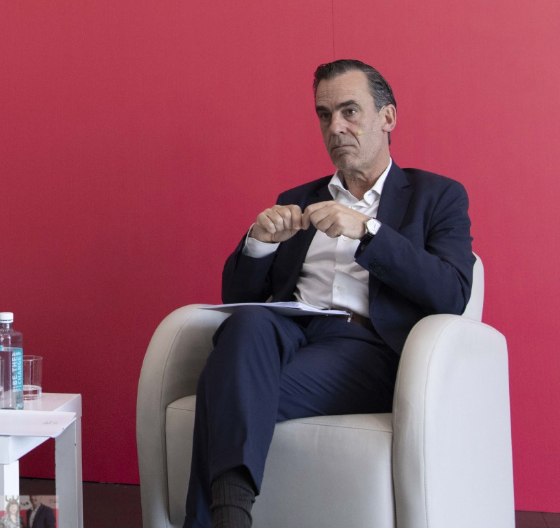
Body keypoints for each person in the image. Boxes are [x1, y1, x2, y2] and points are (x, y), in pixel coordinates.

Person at [182, 60, 474, 528]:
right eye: (324, 114)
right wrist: (259, 242)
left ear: (387, 117)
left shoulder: (436, 196)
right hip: (286, 332)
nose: (335, 127)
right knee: (247, 324)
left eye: (349, 111)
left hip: (366, 347)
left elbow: (452, 292)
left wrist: (369, 231)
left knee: (223, 384)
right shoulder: (299, 197)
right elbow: (238, 295)